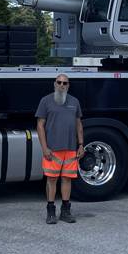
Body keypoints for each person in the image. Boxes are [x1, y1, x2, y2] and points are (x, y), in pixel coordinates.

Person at [35, 73, 84, 224]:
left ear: (68, 86)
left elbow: (78, 124)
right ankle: (51, 212)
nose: (62, 85)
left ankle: (65, 211)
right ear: (54, 84)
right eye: (59, 82)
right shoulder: (46, 101)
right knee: (51, 179)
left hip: (70, 149)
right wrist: (44, 148)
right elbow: (40, 125)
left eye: (65, 83)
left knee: (67, 179)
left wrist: (81, 144)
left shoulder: (74, 102)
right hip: (52, 150)